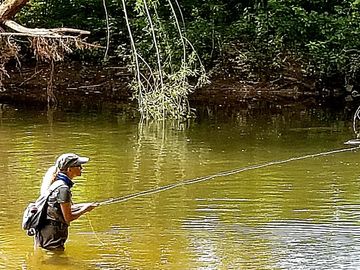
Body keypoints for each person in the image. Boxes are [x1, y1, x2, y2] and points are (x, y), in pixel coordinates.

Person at [35, 153, 98, 251]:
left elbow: (59, 208)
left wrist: (84, 205)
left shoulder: (56, 184)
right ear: (70, 169)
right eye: (79, 166)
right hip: (53, 234)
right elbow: (68, 218)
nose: (82, 168)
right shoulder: (63, 189)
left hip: (46, 231)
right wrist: (85, 210)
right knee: (56, 261)